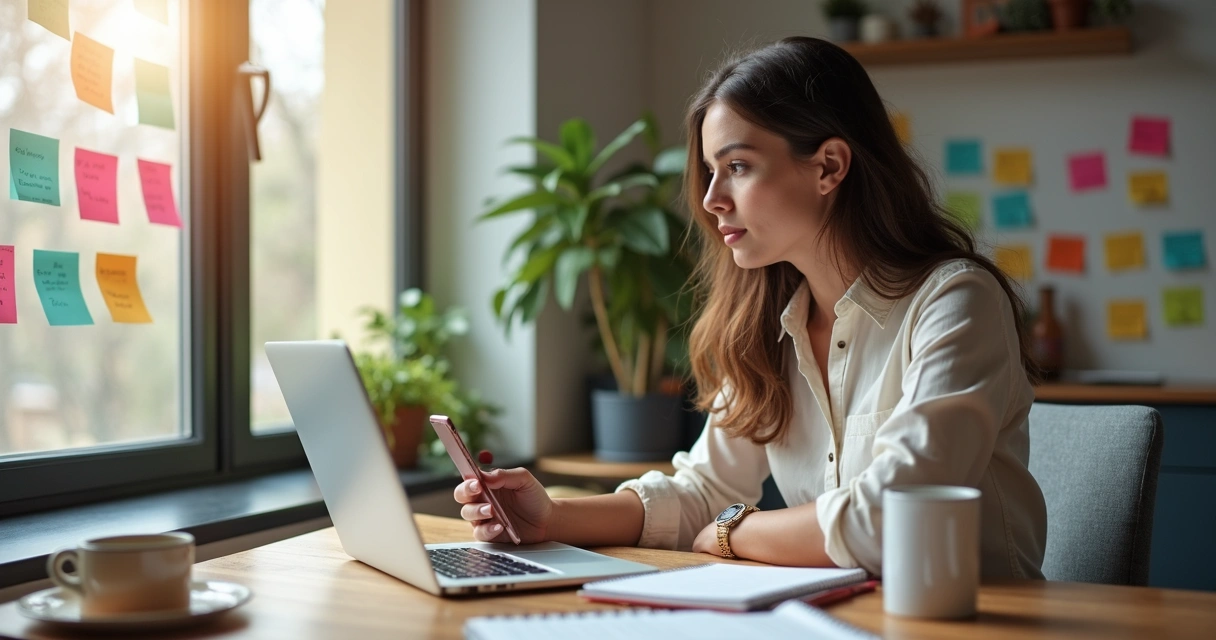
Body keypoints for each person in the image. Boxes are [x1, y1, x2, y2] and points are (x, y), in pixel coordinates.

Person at [454, 36, 1047, 579]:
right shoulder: (767, 324)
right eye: (711, 171)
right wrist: (552, 518)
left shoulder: (956, 302)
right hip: (840, 618)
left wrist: (735, 533)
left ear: (829, 166)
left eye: (737, 167)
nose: (712, 198)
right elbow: (701, 491)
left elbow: (895, 517)